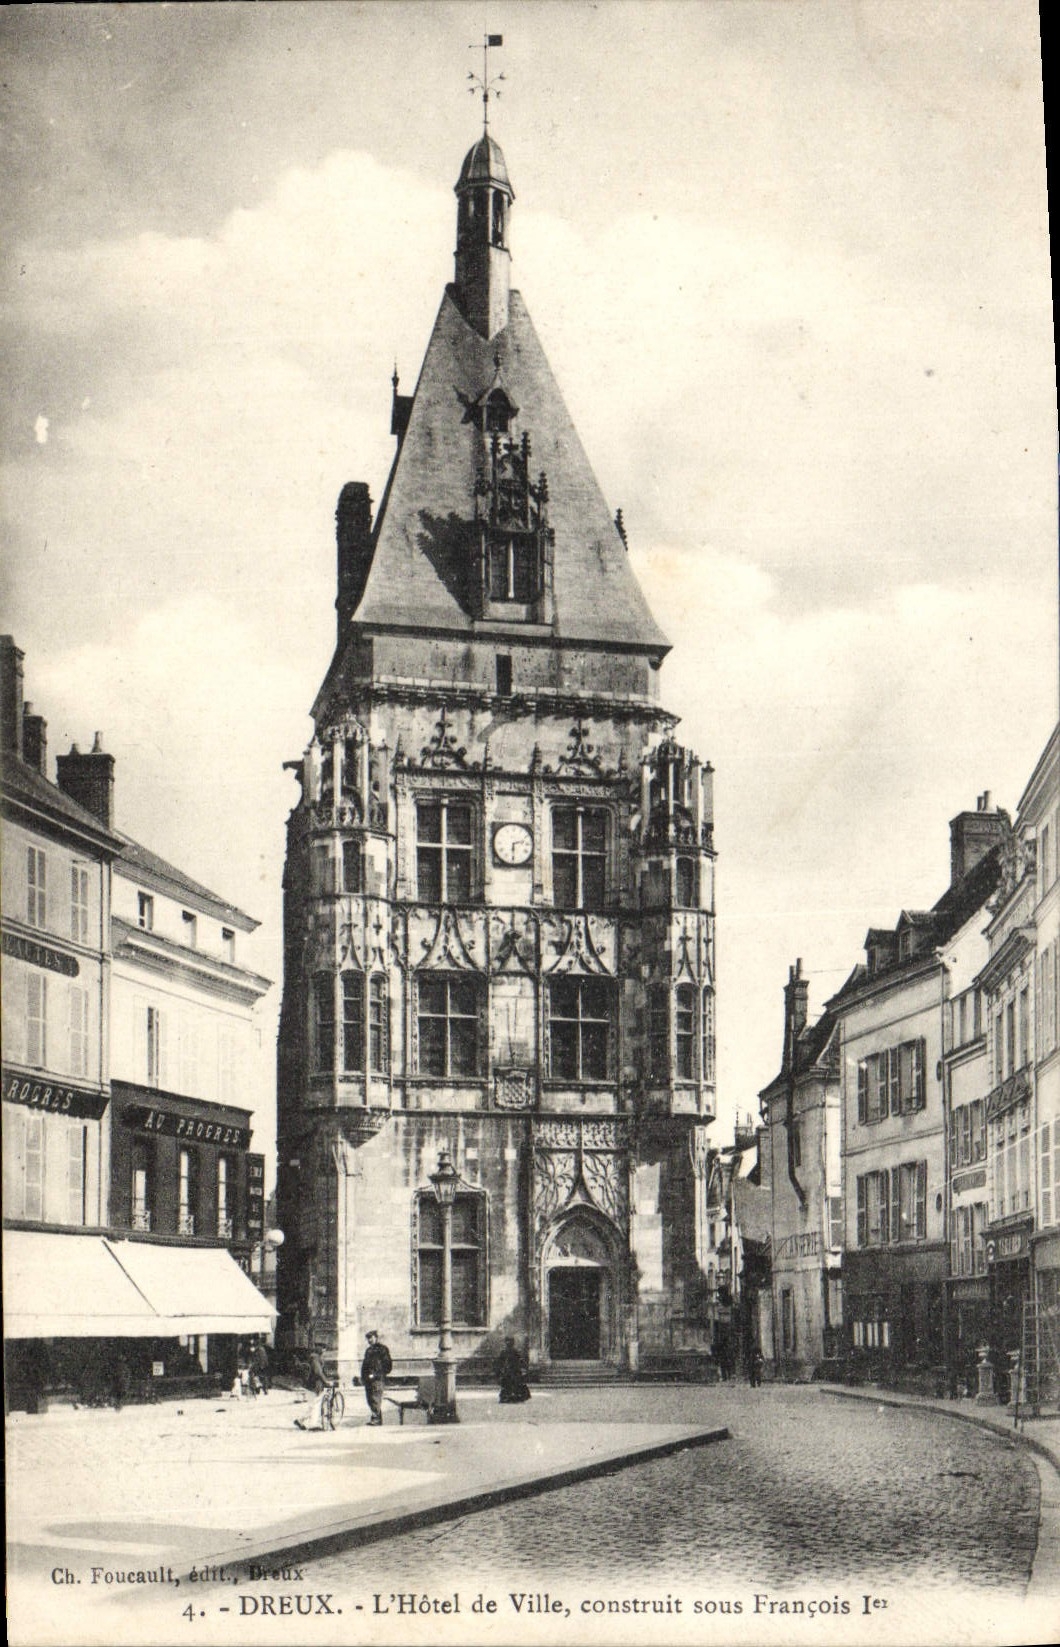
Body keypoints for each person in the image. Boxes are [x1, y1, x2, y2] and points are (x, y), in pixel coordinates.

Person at [361, 1329, 392, 1426]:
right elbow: (365, 1365)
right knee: (370, 1399)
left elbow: (388, 1366)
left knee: (375, 1398)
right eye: (368, 1338)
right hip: (368, 1380)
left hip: (377, 1379)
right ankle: (377, 1418)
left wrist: (377, 1375)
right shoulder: (368, 1350)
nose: (369, 1340)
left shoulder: (382, 1349)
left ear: (376, 1338)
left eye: (371, 1338)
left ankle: (376, 1419)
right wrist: (363, 1377)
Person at [294, 1345, 329, 1430]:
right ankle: (313, 1425)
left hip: (312, 1384)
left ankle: (300, 1420)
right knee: (316, 1404)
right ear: (320, 1349)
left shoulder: (314, 1357)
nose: (324, 1351)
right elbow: (318, 1372)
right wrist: (326, 1381)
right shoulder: (315, 1358)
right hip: (314, 1385)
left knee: (313, 1404)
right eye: (323, 1349)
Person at [495, 1337, 531, 1404]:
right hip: (510, 1370)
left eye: (509, 1342)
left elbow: (520, 1360)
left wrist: (523, 1367)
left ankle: (514, 1397)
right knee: (508, 1384)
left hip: (514, 1370)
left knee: (515, 1384)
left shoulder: (514, 1351)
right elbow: (500, 1361)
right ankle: (508, 1397)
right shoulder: (505, 1352)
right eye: (507, 1342)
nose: (508, 1343)